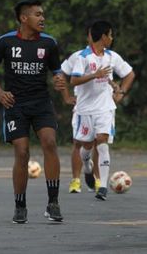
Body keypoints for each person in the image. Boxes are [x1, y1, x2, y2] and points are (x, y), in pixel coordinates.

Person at [0, 0, 63, 224]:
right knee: (22, 152)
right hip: (15, 105)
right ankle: (20, 205)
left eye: (43, 14)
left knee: (49, 142)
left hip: (41, 102)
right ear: (23, 18)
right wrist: (0, 93)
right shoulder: (5, 42)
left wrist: (60, 81)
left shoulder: (49, 43)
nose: (42, 18)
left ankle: (53, 203)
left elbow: (57, 72)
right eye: (38, 14)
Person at [70, 20, 135, 201]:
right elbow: (73, 81)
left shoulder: (112, 56)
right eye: (111, 35)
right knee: (86, 147)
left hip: (105, 108)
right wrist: (94, 75)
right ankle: (87, 166)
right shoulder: (83, 57)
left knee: (102, 141)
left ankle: (103, 187)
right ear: (104, 36)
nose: (112, 39)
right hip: (85, 109)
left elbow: (130, 74)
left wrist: (120, 92)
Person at [54, 25, 101, 194]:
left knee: (98, 143)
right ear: (88, 38)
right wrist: (66, 96)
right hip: (82, 107)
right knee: (78, 142)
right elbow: (60, 73)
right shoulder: (78, 56)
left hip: (102, 108)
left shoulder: (108, 56)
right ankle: (75, 180)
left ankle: (97, 179)